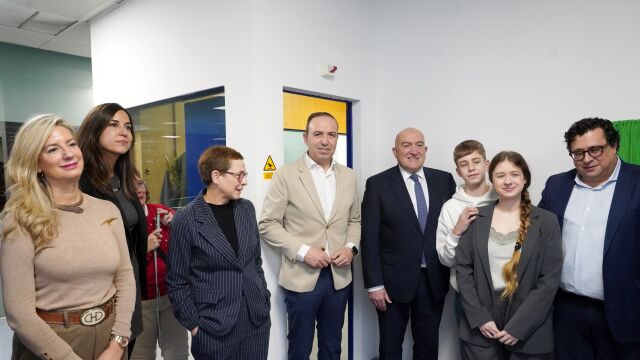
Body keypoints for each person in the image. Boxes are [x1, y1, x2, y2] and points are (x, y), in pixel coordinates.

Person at [1, 114, 135, 359]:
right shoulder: (20, 220)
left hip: (109, 339)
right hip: (51, 343)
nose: (68, 154)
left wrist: (118, 342)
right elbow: (19, 313)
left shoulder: (107, 210)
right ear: (36, 162)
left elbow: (125, 278)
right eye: (53, 149)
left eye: (71, 144)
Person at [259, 112, 360, 360]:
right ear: (305, 137)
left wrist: (351, 248)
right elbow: (268, 224)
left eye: (331, 134)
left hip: (339, 278)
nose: (325, 141)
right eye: (318, 134)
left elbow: (354, 220)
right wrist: (304, 252)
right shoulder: (286, 175)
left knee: (332, 346)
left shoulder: (349, 176)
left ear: (337, 139)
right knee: (300, 348)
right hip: (301, 279)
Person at [538, 118, 640, 359]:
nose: (587, 158)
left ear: (614, 145)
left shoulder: (637, 181)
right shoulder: (557, 185)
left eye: (595, 149)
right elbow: (536, 233)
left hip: (623, 309)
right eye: (578, 153)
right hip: (567, 310)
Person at [455, 151, 562, 360]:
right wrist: (479, 318)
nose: (508, 181)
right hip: (482, 323)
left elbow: (549, 280)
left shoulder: (547, 221)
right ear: (492, 181)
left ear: (525, 179)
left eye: (514, 174)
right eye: (500, 175)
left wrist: (520, 326)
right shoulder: (476, 217)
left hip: (530, 323)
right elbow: (463, 269)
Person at [361, 127, 456, 360]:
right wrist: (374, 284)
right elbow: (369, 238)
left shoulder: (444, 180)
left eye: (419, 144)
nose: (413, 150)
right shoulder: (378, 184)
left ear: (426, 149)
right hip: (392, 283)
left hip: (434, 279)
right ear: (395, 151)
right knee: (391, 347)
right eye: (406, 145)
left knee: (427, 346)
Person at [168, 145, 271, 359]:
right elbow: (177, 281)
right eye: (239, 175)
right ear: (216, 176)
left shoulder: (246, 209)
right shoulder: (186, 219)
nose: (244, 181)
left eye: (245, 174)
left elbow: (255, 262)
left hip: (255, 320)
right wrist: (194, 325)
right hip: (213, 327)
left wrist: (264, 299)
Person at [77, 103, 148, 354]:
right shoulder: (79, 181)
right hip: (97, 293)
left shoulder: (123, 179)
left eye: (128, 127)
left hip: (130, 284)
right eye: (114, 125)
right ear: (94, 131)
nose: (124, 132)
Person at [436, 140, 497, 323]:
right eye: (464, 164)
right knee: (473, 350)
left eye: (476, 161)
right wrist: (457, 231)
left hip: (506, 294)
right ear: (458, 172)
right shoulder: (450, 208)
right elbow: (445, 260)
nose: (471, 168)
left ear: (487, 164)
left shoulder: (505, 199)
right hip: (467, 297)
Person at [130, 171, 189, 360]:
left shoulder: (160, 211)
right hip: (140, 302)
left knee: (177, 353)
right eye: (131, 186)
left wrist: (175, 224)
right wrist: (143, 249)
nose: (137, 190)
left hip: (170, 297)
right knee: (141, 355)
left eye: (140, 184)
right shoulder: (122, 221)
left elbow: (189, 240)